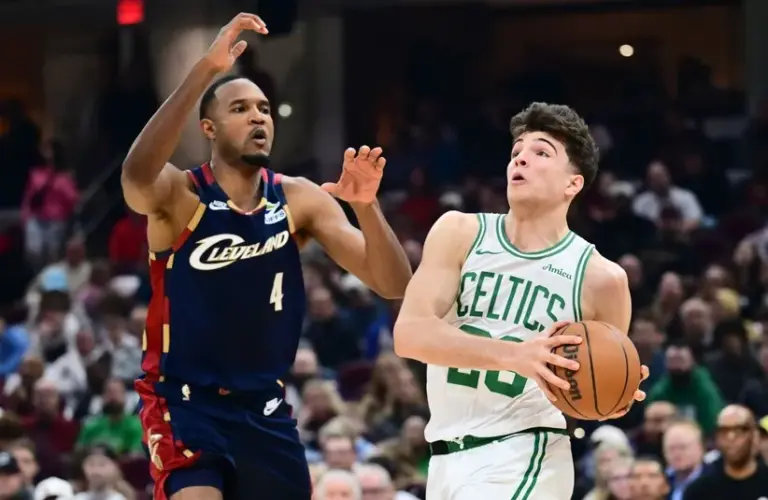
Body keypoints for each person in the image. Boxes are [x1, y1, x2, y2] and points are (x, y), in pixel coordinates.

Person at [120, 13, 411, 500]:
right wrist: (205, 72)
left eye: (264, 108)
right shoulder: (181, 196)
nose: (258, 116)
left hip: (265, 407)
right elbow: (135, 177)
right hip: (185, 402)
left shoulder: (299, 199)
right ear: (209, 127)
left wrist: (367, 208)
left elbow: (394, 283)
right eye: (241, 108)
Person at [393, 102, 648, 500]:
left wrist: (616, 394)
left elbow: (596, 387)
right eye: (517, 152)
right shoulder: (459, 231)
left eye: (542, 152)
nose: (522, 158)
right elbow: (410, 334)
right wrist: (514, 355)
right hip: (446, 456)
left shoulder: (602, 278)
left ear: (573, 184)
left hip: (528, 452)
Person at [684, 405, 768, 500]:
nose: (731, 438)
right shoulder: (699, 491)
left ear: (754, 435)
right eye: (723, 431)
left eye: (739, 430)